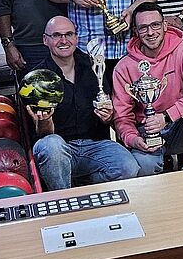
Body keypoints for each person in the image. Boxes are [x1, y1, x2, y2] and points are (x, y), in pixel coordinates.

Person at [25, 16, 139, 190]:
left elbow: (108, 117)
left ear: (76, 38)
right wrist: (45, 121)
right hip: (59, 148)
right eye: (56, 35)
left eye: (69, 34)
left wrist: (107, 117)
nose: (64, 40)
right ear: (45, 40)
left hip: (94, 145)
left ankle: (82, 188)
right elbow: (42, 134)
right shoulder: (37, 78)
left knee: (128, 166)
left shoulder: (95, 67)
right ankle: (64, 198)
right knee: (51, 145)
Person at [111, 3, 183, 176]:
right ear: (136, 31)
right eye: (143, 28)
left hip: (179, 126)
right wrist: (134, 139)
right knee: (141, 169)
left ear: (165, 25)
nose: (150, 32)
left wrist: (167, 116)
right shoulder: (123, 67)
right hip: (146, 133)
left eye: (155, 25)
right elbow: (122, 117)